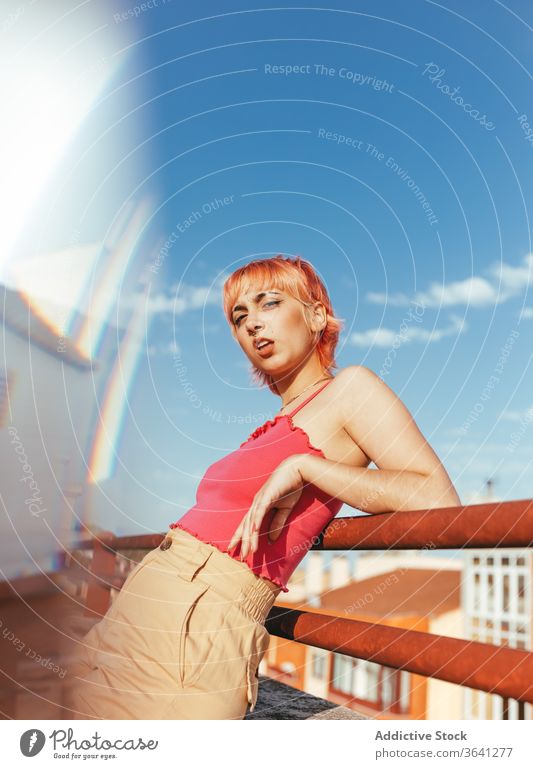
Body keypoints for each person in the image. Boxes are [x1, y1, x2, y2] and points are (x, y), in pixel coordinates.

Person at [63, 254, 460, 720]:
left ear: (315, 316)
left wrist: (306, 469)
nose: (252, 324)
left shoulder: (351, 389)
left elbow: (438, 500)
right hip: (141, 611)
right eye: (239, 316)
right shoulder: (278, 421)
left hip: (199, 629)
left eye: (268, 302)